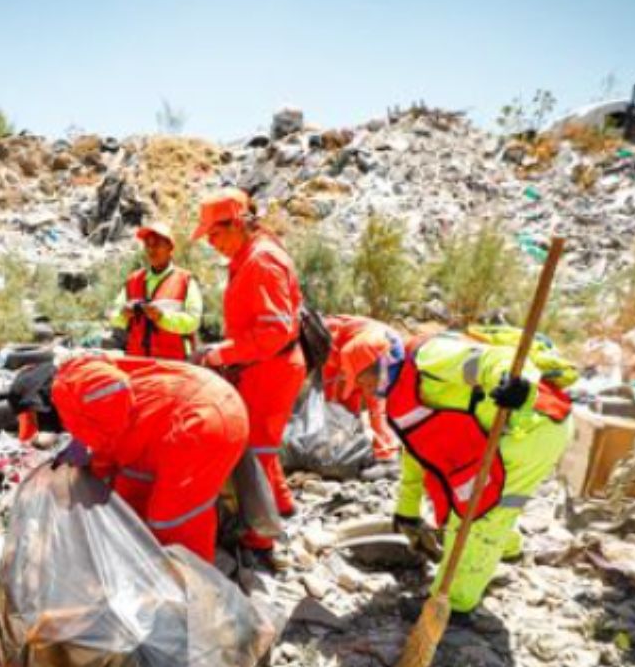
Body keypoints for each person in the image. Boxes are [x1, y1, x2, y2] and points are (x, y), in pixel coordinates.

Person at [367, 330, 574, 616]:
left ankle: (454, 603)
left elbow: (498, 359)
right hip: (506, 432)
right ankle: (507, 548)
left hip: (529, 427)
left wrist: (518, 384)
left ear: (379, 363)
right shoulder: (400, 388)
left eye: (366, 378)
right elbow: (417, 450)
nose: (365, 389)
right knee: (488, 506)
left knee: (477, 516)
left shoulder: (430, 356)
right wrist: (407, 510)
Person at [8, 353, 248, 563]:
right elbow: (119, 439)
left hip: (202, 421)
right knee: (129, 500)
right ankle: (149, 569)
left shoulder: (69, 384)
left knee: (173, 521)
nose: (46, 428)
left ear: (38, 402)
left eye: (36, 420)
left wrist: (90, 446)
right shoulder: (71, 395)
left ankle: (192, 591)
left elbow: (116, 393)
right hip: (167, 428)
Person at [189, 188, 306, 553]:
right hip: (263, 366)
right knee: (262, 445)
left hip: (270, 369)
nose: (211, 242)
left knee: (256, 450)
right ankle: (282, 504)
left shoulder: (261, 260)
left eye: (215, 233)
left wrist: (221, 354)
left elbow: (274, 331)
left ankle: (260, 537)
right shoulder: (252, 253)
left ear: (238, 223)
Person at [108, 222, 203, 360]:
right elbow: (113, 315)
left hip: (173, 364)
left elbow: (193, 321)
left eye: (157, 244)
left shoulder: (185, 280)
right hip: (137, 362)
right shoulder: (133, 280)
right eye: (148, 245)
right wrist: (123, 315)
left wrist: (162, 318)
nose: (151, 250)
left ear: (170, 247)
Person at [321, 315, 404, 461]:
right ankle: (383, 451)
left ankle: (383, 454)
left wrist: (331, 406)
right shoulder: (337, 326)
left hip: (371, 347)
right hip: (391, 343)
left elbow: (333, 377)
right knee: (368, 397)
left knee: (369, 397)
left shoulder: (325, 331)